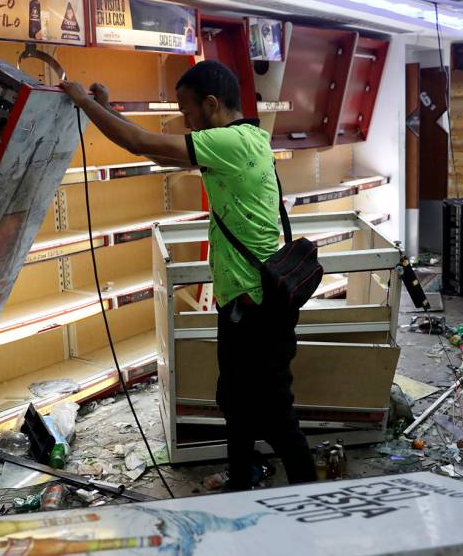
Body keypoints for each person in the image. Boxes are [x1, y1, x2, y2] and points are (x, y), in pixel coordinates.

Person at [59, 60, 316, 489]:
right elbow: (155, 150)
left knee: (274, 412)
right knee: (234, 401)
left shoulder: (231, 142)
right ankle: (242, 478)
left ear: (212, 104)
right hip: (242, 301)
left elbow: (142, 144)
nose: (184, 120)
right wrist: (104, 109)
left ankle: (314, 497)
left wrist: (86, 103)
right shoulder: (248, 138)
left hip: (255, 306)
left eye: (187, 110)